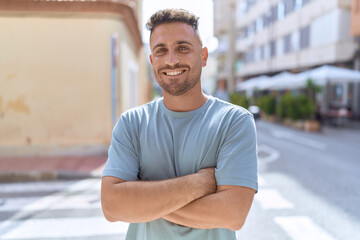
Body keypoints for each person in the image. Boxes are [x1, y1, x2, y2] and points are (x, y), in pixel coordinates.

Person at [101, 8, 258, 240]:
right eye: (161, 51)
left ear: (203, 56)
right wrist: (201, 182)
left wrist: (143, 201)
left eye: (183, 48)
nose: (171, 60)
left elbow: (233, 214)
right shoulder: (132, 123)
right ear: (152, 61)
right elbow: (113, 206)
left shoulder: (234, 122)